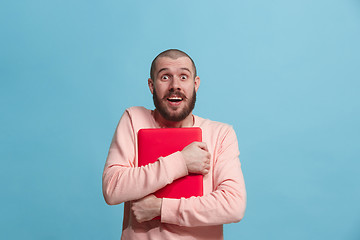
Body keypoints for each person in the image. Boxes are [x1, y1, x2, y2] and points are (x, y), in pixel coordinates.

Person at [102, 49, 246, 239]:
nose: (175, 85)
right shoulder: (134, 119)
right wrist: (182, 162)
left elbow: (233, 205)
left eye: (183, 77)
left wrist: (161, 209)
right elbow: (112, 188)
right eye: (165, 77)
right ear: (151, 86)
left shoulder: (221, 134)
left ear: (195, 84)